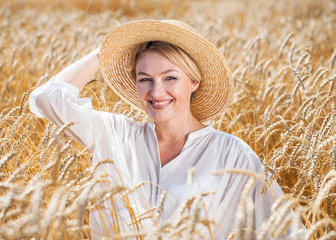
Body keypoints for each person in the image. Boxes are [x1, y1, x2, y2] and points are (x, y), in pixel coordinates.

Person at [29, 20, 297, 239]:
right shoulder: (117, 135)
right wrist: (104, 53)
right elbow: (46, 99)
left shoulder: (232, 154)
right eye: (145, 79)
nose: (157, 92)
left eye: (170, 77)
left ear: (194, 81)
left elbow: (285, 231)